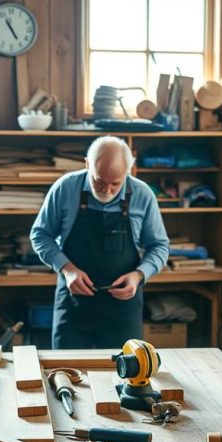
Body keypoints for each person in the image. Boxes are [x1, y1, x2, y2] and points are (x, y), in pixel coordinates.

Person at [31, 136, 169, 349]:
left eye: (116, 183)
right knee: (67, 372)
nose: (106, 190)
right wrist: (67, 269)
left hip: (123, 305)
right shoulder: (65, 188)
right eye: (99, 181)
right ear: (87, 164)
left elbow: (159, 246)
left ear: (129, 171)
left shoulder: (143, 194)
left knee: (124, 372)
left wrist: (139, 275)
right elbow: (40, 235)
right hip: (74, 303)